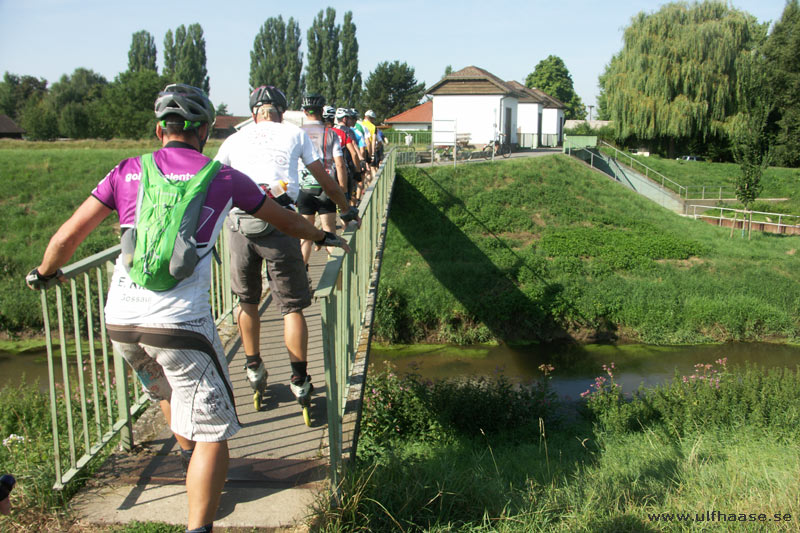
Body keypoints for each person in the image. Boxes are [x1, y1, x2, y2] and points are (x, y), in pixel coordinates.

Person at [24, 84, 348, 533]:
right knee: (217, 432)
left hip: (121, 321)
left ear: (160, 129)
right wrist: (320, 236)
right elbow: (283, 218)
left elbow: (66, 238)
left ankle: (189, 464)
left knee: (169, 394)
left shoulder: (127, 171)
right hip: (180, 326)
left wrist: (44, 272)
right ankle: (198, 524)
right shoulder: (221, 177)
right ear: (206, 131)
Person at [214, 86, 359, 410]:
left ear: (254, 113)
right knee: (291, 306)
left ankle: (253, 369)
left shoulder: (234, 139)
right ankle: (299, 380)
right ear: (281, 111)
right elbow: (326, 181)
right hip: (278, 219)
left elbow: (211, 181)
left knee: (247, 300)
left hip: (238, 222)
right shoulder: (293, 134)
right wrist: (345, 209)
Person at [295, 94, 349, 265]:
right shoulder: (331, 134)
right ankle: (337, 277)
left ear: (304, 111)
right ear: (322, 111)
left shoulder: (297, 133)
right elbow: (339, 164)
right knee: (330, 233)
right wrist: (342, 189)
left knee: (305, 236)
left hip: (303, 189)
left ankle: (303, 274)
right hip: (326, 189)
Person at [333, 107, 365, 205]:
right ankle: (351, 212)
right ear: (345, 119)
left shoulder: (331, 130)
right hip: (346, 166)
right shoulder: (348, 131)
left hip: (331, 166)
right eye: (350, 118)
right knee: (350, 195)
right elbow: (354, 150)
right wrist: (358, 169)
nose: (352, 120)